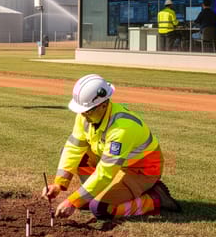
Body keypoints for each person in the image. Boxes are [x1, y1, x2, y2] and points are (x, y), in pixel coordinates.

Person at [42, 74, 181, 220]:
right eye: (81, 111)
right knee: (84, 193)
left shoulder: (122, 128)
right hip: (114, 164)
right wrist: (59, 184)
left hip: (140, 170)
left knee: (100, 208)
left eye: (87, 110)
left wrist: (73, 201)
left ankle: (155, 199)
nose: (83, 115)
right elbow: (73, 148)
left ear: (103, 104)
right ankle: (96, 193)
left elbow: (105, 173)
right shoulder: (85, 116)